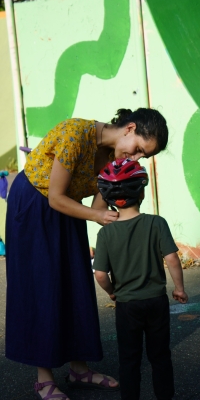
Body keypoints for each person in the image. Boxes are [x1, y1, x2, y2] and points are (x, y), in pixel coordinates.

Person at [5, 108, 168, 400]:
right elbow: (56, 197)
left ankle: (79, 369)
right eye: (139, 150)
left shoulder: (114, 157)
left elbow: (100, 206)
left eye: (144, 157)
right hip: (34, 205)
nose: (136, 158)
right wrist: (96, 217)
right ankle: (44, 379)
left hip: (69, 208)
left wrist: (124, 238)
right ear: (129, 128)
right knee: (43, 287)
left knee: (76, 283)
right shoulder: (76, 135)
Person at [93, 158, 188, 400]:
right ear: (142, 190)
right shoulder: (156, 223)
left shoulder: (105, 233)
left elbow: (100, 274)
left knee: (129, 359)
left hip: (127, 306)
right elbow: (173, 260)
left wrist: (112, 292)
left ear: (109, 197)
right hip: (156, 301)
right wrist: (179, 288)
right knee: (160, 357)